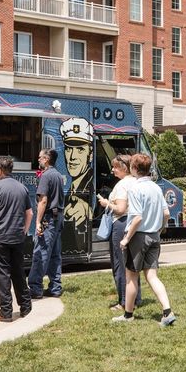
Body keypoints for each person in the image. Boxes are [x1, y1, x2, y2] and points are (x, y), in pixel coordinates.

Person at [113, 153, 176, 326]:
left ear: (133, 168)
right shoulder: (156, 187)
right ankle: (167, 311)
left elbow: (137, 218)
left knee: (131, 276)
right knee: (152, 276)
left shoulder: (135, 189)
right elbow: (166, 213)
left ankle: (128, 315)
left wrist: (126, 239)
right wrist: (160, 228)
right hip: (154, 236)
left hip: (139, 237)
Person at [0, 156, 34, 322]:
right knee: (18, 272)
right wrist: (24, 231)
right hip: (18, 238)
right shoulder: (22, 188)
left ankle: (5, 313)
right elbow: (30, 213)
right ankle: (26, 307)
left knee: (2, 275)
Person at [97, 155, 140, 311]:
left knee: (119, 264)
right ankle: (136, 298)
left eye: (115, 167)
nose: (113, 170)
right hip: (134, 224)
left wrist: (106, 203)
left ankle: (124, 301)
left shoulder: (122, 185)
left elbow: (121, 209)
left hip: (121, 224)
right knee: (132, 264)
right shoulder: (136, 182)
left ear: (124, 167)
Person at [28, 148, 65, 298]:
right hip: (58, 217)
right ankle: (55, 287)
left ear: (47, 159)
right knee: (55, 254)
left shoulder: (46, 176)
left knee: (41, 252)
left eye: (40, 158)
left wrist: (37, 221)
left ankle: (35, 289)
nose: (38, 160)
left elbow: (43, 201)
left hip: (49, 218)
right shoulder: (57, 175)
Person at [59, 117, 95, 251]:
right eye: (68, 149)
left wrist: (87, 210)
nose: (72, 156)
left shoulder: (91, 185)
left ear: (90, 155)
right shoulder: (70, 189)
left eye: (80, 149)